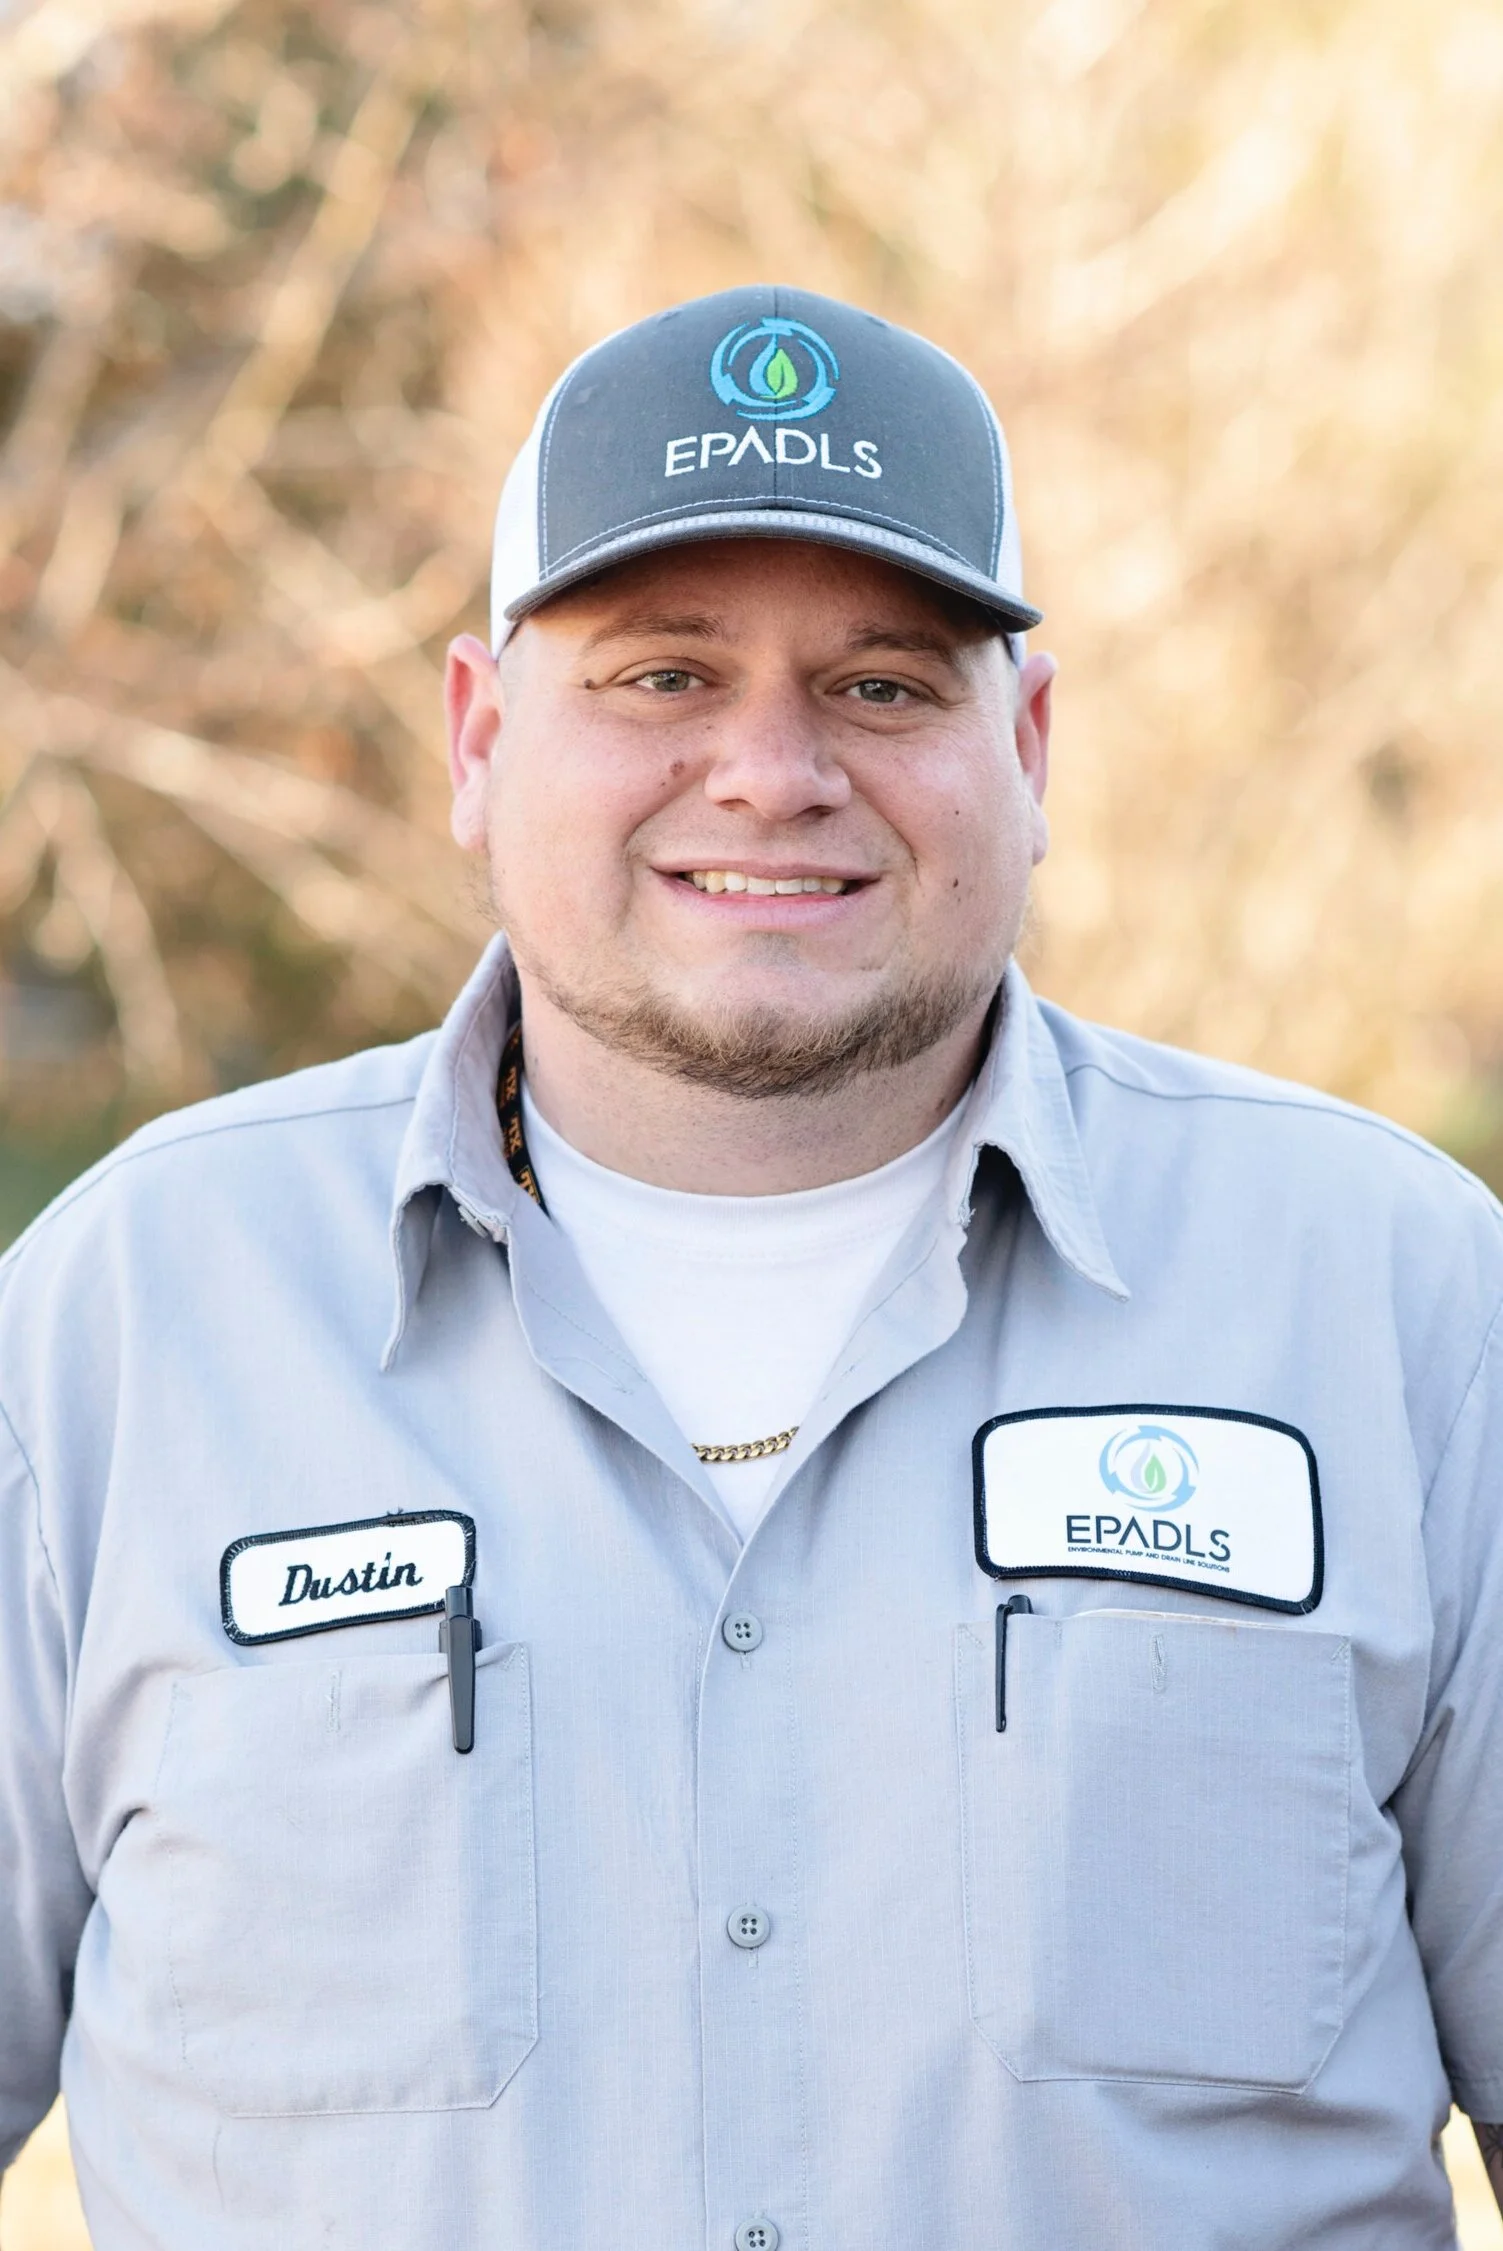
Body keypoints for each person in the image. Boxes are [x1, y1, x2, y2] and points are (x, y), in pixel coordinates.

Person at [1, 283, 1501, 2251]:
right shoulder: (121, 1324)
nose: (772, 770)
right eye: (662, 675)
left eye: (881, 686)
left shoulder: (1402, 1307)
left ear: (1027, 746)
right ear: (478, 737)